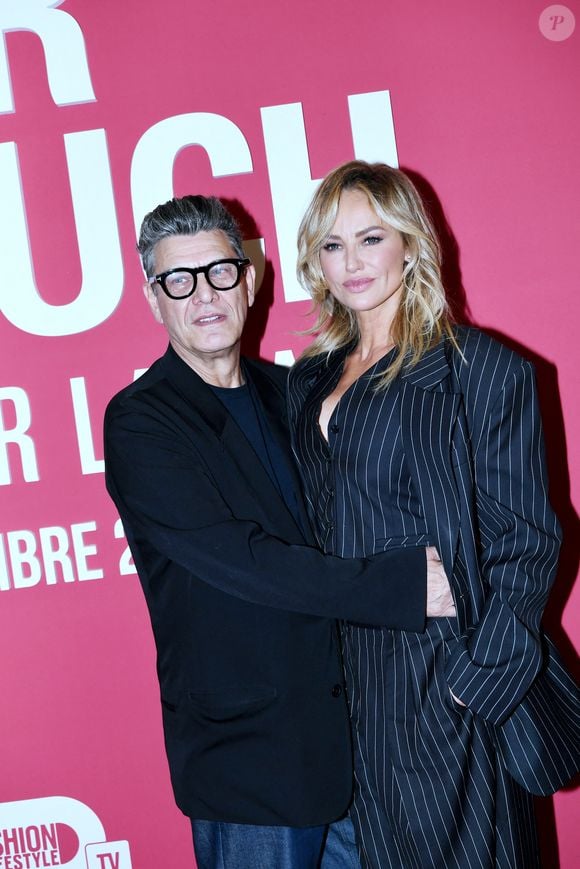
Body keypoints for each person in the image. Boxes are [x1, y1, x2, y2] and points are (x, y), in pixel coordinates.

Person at [103, 194, 455, 869]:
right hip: (248, 765)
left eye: (219, 272)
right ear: (155, 299)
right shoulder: (142, 421)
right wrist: (411, 584)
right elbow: (246, 561)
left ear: (251, 277)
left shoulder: (291, 392)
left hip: (352, 747)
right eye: (179, 279)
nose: (203, 294)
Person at [288, 160, 580, 869]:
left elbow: (528, 544)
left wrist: (473, 686)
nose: (351, 262)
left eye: (371, 238)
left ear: (412, 244)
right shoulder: (308, 378)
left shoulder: (477, 369)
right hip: (341, 693)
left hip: (441, 684)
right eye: (332, 244)